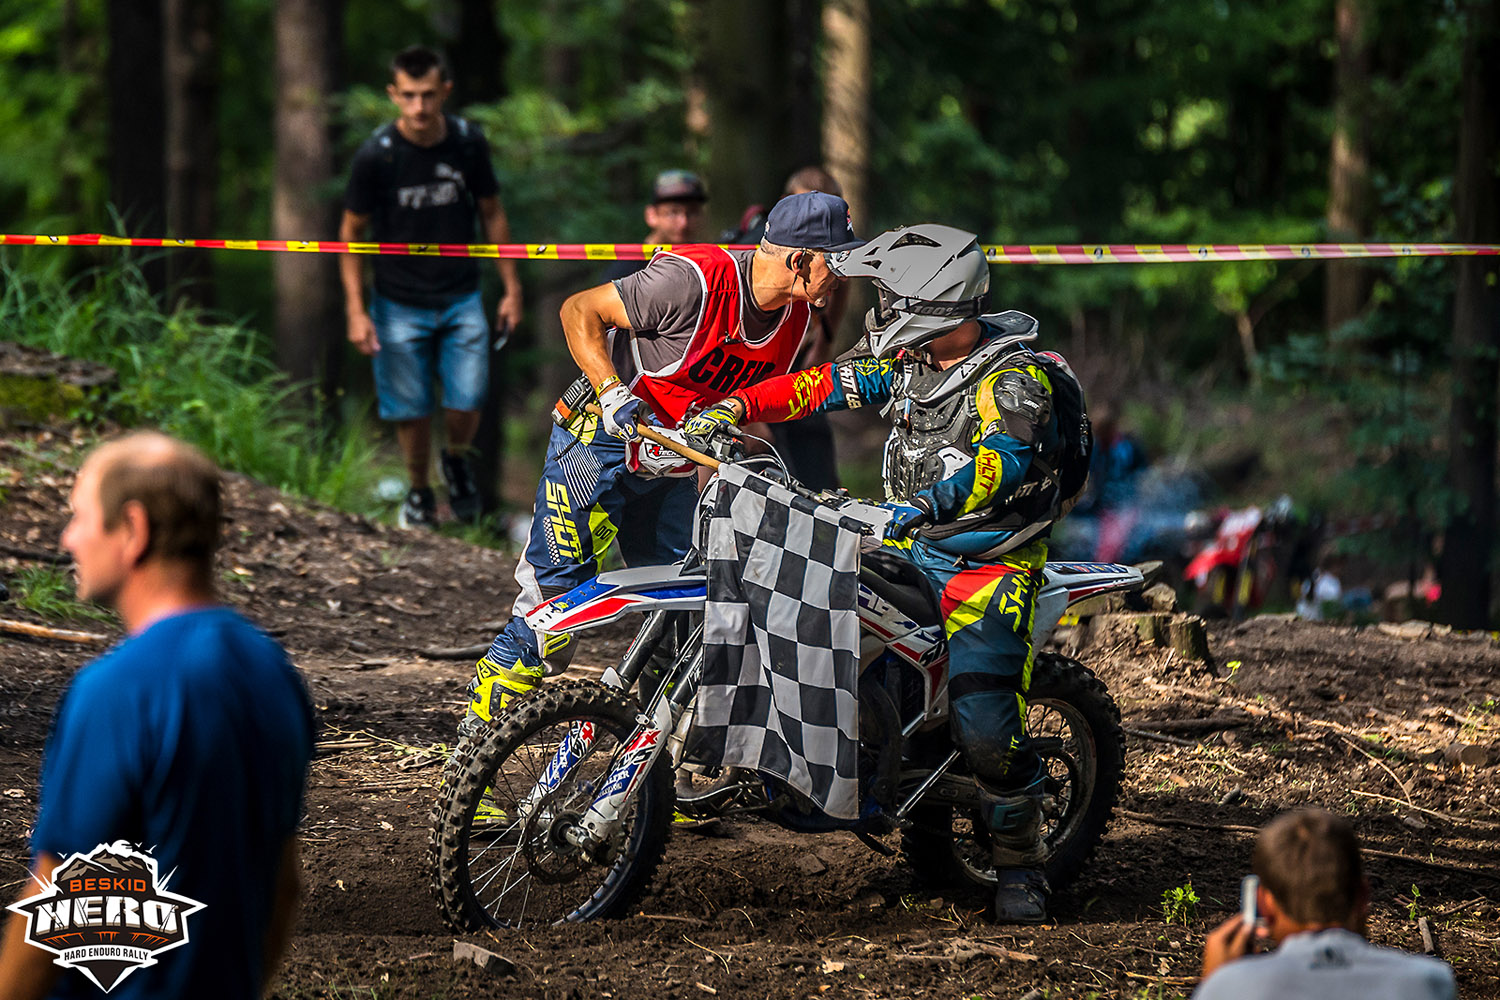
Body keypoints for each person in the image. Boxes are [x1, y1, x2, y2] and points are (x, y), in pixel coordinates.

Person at [683, 224, 1091, 923]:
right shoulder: (909, 361)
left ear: (933, 302)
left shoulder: (1012, 380)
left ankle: (1022, 864)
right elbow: (824, 385)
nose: (880, 309)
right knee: (811, 602)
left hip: (987, 563)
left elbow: (1004, 460)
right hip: (907, 540)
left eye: (891, 297)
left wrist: (926, 504)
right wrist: (742, 404)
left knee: (985, 726)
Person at [460, 191, 864, 738]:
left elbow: (748, 403)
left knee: (679, 603)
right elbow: (578, 309)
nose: (841, 277)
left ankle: (651, 761)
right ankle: (477, 742)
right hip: (597, 449)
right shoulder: (693, 279)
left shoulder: (795, 322)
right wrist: (611, 391)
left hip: (670, 469)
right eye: (835, 262)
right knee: (554, 607)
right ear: (799, 260)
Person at [0, 433, 315, 999]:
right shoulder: (274, 673)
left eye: (80, 517)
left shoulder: (117, 691)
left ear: (133, 529)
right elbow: (283, 884)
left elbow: (52, 903)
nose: (68, 538)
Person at [340, 44, 524, 529]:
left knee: (468, 396)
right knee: (411, 408)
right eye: (408, 95)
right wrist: (356, 310)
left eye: (427, 94)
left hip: (461, 294)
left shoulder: (467, 143)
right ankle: (419, 490)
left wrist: (511, 288)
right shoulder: (377, 155)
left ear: (445, 91)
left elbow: (492, 212)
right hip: (397, 301)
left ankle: (455, 460)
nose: (418, 107)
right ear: (393, 95)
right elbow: (350, 232)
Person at [1195, 808, 1455, 999]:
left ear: (1264, 904)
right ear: (1363, 896)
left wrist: (1215, 983)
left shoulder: (1232, 988)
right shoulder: (1429, 983)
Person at [723, 166, 851, 490]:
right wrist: (748, 415)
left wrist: (824, 343)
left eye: (829, 209)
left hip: (800, 368)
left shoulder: (835, 240)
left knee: (820, 481)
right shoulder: (753, 250)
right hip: (752, 376)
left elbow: (844, 280)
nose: (820, 218)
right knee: (775, 484)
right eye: (810, 208)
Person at [601, 169, 709, 283]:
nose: (683, 222)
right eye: (673, 212)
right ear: (651, 215)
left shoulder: (707, 263)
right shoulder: (625, 270)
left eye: (692, 212)